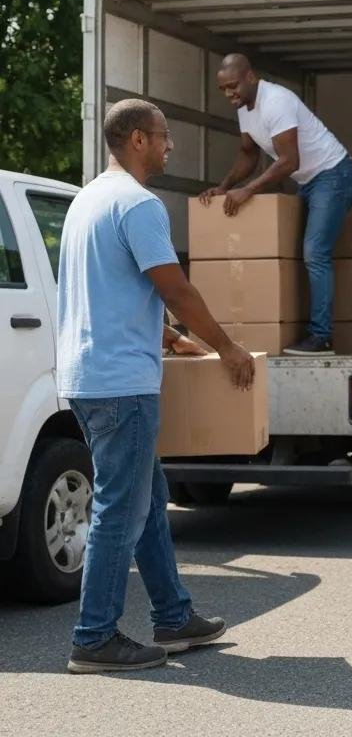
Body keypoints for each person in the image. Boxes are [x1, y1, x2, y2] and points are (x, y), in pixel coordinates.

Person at [59, 99, 256, 674]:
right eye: (165, 136)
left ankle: (173, 617)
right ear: (139, 140)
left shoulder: (86, 201)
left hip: (88, 375)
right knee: (121, 510)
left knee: (145, 495)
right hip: (123, 384)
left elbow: (114, 290)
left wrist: (171, 341)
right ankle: (93, 638)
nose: (171, 146)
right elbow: (176, 289)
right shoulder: (140, 205)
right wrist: (227, 346)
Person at [199, 53, 352, 356]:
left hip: (334, 175)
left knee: (314, 252)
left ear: (250, 77)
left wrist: (247, 191)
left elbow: (289, 160)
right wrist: (224, 186)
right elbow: (249, 154)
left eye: (232, 86)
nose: (228, 94)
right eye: (223, 89)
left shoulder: (276, 101)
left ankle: (322, 337)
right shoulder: (245, 109)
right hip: (309, 181)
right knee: (294, 255)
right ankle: (303, 330)